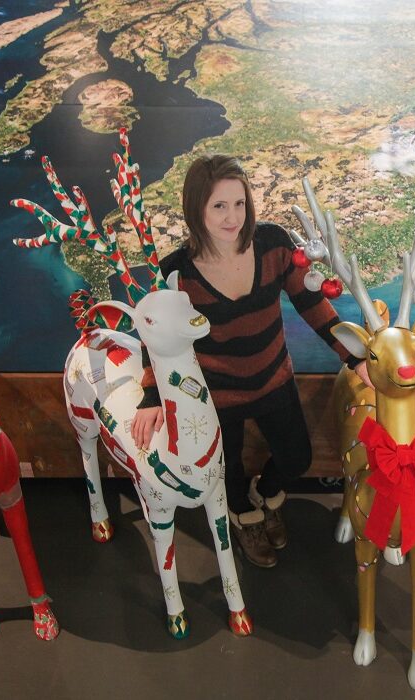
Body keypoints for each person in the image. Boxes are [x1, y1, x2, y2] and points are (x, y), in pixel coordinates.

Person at [131, 155, 368, 568]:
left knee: (297, 458)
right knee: (229, 472)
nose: (232, 217)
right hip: (216, 397)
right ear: (196, 209)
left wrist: (354, 358)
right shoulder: (176, 274)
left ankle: (267, 498)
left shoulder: (274, 245)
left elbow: (312, 304)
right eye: (219, 206)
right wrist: (151, 395)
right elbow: (154, 338)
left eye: (239, 204)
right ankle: (245, 518)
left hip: (274, 380)